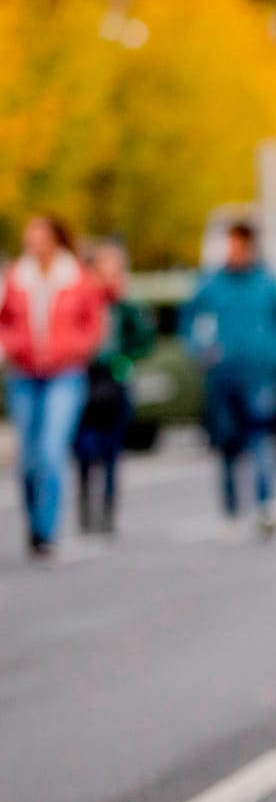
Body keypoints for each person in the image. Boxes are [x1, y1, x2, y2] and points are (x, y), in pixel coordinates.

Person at [182, 221, 276, 538]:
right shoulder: (213, 283)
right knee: (227, 442)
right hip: (224, 374)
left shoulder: (267, 284)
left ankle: (266, 503)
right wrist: (201, 350)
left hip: (260, 375)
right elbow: (190, 318)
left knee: (261, 436)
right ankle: (232, 507)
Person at [0, 214, 105, 559]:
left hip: (64, 373)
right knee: (28, 458)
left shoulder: (76, 277)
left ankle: (48, 531)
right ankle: (33, 524)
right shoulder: (17, 276)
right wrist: (12, 345)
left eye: (39, 234)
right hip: (25, 373)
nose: (33, 241)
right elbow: (5, 321)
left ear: (55, 238)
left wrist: (77, 349)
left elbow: (94, 322)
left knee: (51, 450)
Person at [73, 241, 154, 536]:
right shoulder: (83, 300)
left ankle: (107, 510)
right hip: (86, 376)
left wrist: (125, 359)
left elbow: (144, 338)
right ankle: (84, 504)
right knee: (85, 446)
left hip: (115, 378)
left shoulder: (126, 305)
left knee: (111, 448)